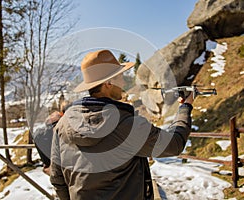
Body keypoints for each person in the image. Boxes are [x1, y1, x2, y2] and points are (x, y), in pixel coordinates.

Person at [50, 49, 194, 200]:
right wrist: (185, 108)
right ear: (108, 83)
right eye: (120, 77)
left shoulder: (63, 125)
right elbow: (174, 144)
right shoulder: (127, 125)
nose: (124, 82)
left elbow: (57, 179)